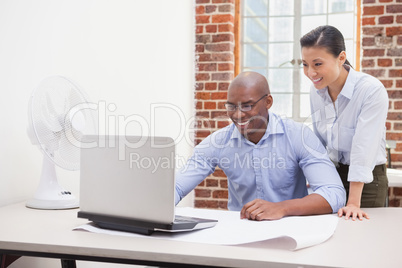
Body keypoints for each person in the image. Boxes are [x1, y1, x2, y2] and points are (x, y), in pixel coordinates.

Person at [175, 71, 346, 221]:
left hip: (291, 228)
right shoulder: (218, 142)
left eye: (247, 105)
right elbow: (177, 186)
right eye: (231, 106)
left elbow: (335, 194)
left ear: (268, 101)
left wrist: (282, 208)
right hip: (241, 231)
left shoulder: (298, 136)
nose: (238, 114)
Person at [300, 25, 389, 221]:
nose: (310, 72)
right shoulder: (316, 91)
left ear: (341, 58)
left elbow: (363, 148)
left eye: (317, 64)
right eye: (305, 64)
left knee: (361, 239)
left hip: (367, 182)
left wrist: (353, 202)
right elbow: (319, 140)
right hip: (333, 176)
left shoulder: (370, 90)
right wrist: (315, 176)